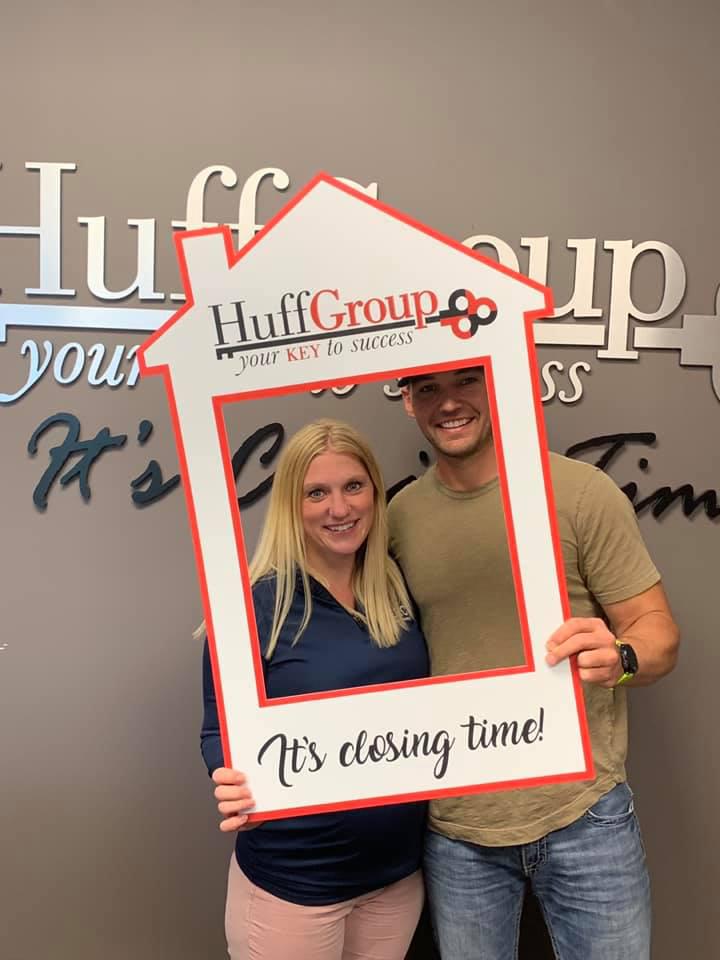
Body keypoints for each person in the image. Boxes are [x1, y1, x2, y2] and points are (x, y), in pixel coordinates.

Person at [388, 367, 680, 960]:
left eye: (467, 381)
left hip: (586, 814)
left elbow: (659, 634)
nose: (449, 403)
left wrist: (622, 656)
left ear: (498, 383)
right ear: (408, 402)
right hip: (458, 830)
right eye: (428, 389)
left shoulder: (580, 492)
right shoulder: (399, 517)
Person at [200, 419, 428, 960]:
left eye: (353, 486)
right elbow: (218, 730)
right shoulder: (255, 606)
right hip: (294, 884)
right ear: (291, 505)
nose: (339, 508)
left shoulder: (397, 586)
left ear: (374, 491)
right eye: (316, 493)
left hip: (395, 879)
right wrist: (230, 776)